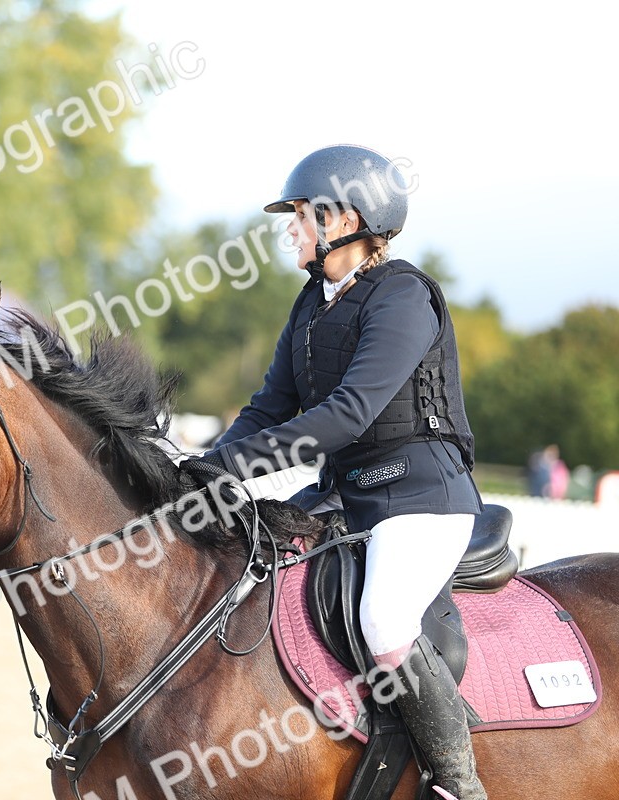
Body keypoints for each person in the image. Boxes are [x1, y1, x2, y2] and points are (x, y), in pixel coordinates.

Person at [181, 145, 486, 799]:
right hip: (344, 496)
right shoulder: (311, 304)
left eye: (300, 213)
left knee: (384, 620)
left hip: (420, 497)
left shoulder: (403, 296)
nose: (290, 227)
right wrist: (201, 470)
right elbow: (269, 407)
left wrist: (236, 464)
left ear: (344, 218)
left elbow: (348, 415)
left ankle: (457, 781)